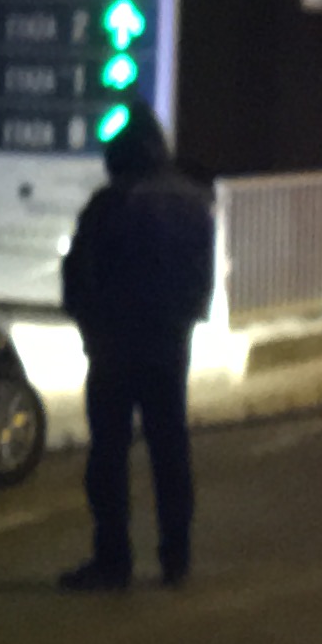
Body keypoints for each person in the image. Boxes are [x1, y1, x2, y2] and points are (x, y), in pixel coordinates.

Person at [57, 108, 216, 590]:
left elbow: (79, 274)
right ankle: (176, 555)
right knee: (170, 450)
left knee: (109, 454)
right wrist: (182, 321)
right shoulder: (193, 203)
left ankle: (113, 558)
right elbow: (200, 279)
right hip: (169, 344)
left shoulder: (111, 203)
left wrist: (90, 328)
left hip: (115, 346)